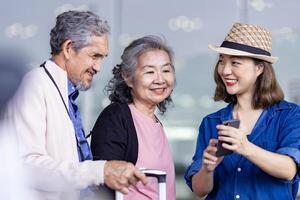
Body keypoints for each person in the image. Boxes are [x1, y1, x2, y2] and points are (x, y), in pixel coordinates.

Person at [4, 10, 147, 200]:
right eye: (94, 56)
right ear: (69, 48)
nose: (98, 67)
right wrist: (100, 171)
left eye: (102, 58)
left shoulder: (64, 92)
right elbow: (29, 167)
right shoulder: (34, 86)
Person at [184, 22, 300, 200]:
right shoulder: (211, 122)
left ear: (259, 68)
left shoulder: (290, 115)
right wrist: (208, 168)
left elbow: (289, 170)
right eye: (222, 61)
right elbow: (200, 190)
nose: (225, 70)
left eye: (235, 63)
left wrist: (245, 147)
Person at [91, 35, 176, 199]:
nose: (160, 79)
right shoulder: (116, 118)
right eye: (150, 72)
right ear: (128, 77)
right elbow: (104, 185)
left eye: (166, 70)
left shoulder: (154, 122)